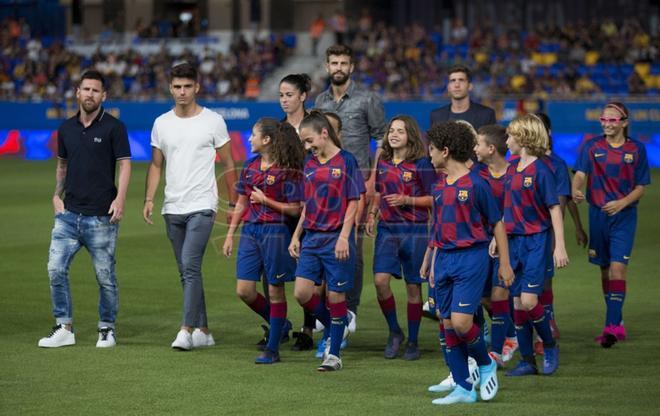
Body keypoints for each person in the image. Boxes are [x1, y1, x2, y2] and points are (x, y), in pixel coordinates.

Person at [143, 62, 238, 351]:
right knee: (187, 270)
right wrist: (149, 198)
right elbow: (156, 165)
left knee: (190, 264)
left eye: (187, 86)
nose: (182, 92)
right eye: (177, 87)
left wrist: (232, 202)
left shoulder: (213, 121)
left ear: (196, 87)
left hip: (202, 204)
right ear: (170, 88)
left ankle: (185, 330)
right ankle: (204, 330)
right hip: (173, 206)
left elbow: (229, 163)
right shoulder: (161, 123)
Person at [38, 69, 131, 348]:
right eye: (85, 89)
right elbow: (62, 165)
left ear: (104, 95)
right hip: (67, 216)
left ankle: (106, 328)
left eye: (95, 90)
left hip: (102, 217)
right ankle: (64, 326)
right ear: (77, 92)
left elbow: (125, 164)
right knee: (55, 269)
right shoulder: (65, 128)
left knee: (105, 277)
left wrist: (121, 199)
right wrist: (56, 195)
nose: (89, 94)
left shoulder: (114, 127)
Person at [421, 121, 511, 404]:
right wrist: (431, 261)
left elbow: (497, 224)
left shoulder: (477, 183)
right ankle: (462, 387)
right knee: (446, 324)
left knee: (461, 323)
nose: (429, 155)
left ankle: (485, 363)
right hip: (444, 258)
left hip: (471, 258)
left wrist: (505, 264)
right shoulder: (438, 187)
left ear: (445, 151)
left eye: (432, 150)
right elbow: (437, 229)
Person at [315, 44, 387, 329]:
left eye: (344, 63)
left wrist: (372, 179)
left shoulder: (368, 99)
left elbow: (381, 140)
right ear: (327, 66)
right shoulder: (320, 101)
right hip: (325, 185)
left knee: (352, 248)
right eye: (334, 63)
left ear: (352, 67)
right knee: (322, 243)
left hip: (356, 182)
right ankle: (328, 308)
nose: (339, 68)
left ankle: (350, 310)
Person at [223, 118, 305, 363]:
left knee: (274, 290)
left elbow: (295, 209)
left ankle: (273, 349)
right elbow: (242, 201)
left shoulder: (287, 171)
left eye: (253, 135)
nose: (249, 139)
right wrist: (229, 235)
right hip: (251, 232)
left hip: (276, 232)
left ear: (266, 140)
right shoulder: (250, 166)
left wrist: (267, 201)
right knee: (244, 291)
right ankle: (280, 324)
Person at [289, 111, 363, 371]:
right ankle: (336, 327)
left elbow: (354, 201)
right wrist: (297, 235)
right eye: (304, 143)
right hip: (312, 238)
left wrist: (344, 236)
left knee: (336, 296)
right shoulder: (309, 165)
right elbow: (308, 205)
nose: (307, 147)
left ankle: (333, 355)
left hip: (336, 238)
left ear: (324, 133)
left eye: (309, 141)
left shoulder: (347, 161)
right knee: (301, 293)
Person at [572, 102, 650, 348]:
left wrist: (622, 203)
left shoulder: (636, 149)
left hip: (624, 217)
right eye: (603, 120)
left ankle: (611, 327)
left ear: (624, 122)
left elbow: (641, 187)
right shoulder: (591, 146)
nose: (607, 124)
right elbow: (581, 174)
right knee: (604, 270)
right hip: (597, 216)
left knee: (618, 269)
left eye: (612, 120)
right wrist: (576, 189)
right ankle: (617, 320)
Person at [502, 114, 568, 376]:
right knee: (517, 303)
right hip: (514, 242)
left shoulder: (541, 170)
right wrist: (501, 241)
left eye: (509, 136)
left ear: (523, 138)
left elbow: (554, 209)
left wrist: (559, 246)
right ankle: (527, 361)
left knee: (529, 300)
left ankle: (550, 345)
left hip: (536, 242)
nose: (506, 141)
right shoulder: (510, 168)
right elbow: (507, 208)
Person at [365, 115, 435, 361]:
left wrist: (408, 200)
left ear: (411, 136)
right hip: (387, 229)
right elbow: (378, 192)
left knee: (413, 287)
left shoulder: (422, 164)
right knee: (380, 281)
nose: (393, 135)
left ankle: (413, 341)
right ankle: (395, 331)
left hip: (414, 231)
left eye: (400, 131)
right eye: (391, 130)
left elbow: (434, 198)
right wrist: (373, 214)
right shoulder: (383, 160)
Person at [277, 73, 316, 351]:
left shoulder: (316, 125)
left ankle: (309, 328)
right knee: (277, 269)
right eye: (281, 95)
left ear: (303, 96)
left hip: (313, 204)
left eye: (289, 94)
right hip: (284, 204)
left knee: (309, 270)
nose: (284, 100)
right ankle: (278, 326)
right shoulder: (278, 129)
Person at [430, 65, 496, 130]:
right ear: (448, 87)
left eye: (461, 80)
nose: (457, 85)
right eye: (453, 80)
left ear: (470, 86)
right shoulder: (436, 116)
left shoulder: (486, 115)